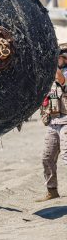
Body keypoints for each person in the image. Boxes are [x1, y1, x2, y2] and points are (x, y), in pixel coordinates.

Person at [37, 49, 67, 201]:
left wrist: (50, 64)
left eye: (59, 57)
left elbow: (61, 80)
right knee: (47, 157)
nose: (57, 60)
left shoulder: (63, 74)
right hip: (53, 123)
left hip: (66, 122)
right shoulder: (49, 77)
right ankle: (52, 190)